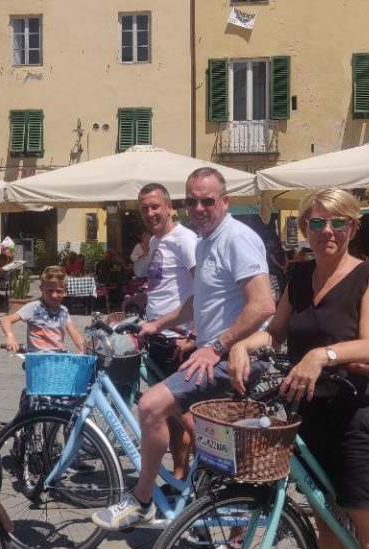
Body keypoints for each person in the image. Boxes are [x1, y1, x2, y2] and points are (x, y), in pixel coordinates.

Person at [228, 188, 369, 549]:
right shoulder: (300, 275)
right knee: (329, 525)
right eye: (318, 222)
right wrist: (241, 345)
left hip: (355, 421)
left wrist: (321, 355)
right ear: (305, 227)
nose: (328, 230)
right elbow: (275, 332)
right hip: (310, 418)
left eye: (338, 221)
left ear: (352, 228)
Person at [92, 167, 275, 530]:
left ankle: (142, 500)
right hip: (213, 352)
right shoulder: (206, 241)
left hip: (235, 357)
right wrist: (157, 324)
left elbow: (263, 305)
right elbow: (198, 301)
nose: (199, 208)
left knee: (151, 405)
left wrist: (216, 347)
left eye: (207, 201)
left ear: (225, 202)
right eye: (192, 201)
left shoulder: (237, 238)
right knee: (221, 447)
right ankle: (228, 533)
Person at [125, 183, 197, 481]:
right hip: (159, 338)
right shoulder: (156, 241)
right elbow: (164, 283)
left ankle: (219, 471)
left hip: (179, 340)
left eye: (155, 206)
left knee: (189, 417)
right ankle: (180, 475)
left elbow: (204, 289)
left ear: (169, 207)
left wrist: (194, 335)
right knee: (173, 415)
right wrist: (141, 297)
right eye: (144, 208)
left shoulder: (185, 239)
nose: (150, 213)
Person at [0, 265, 85, 354]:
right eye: (50, 290)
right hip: (38, 358)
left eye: (59, 291)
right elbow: (6, 320)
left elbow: (74, 332)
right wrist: (10, 336)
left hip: (57, 357)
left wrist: (83, 348)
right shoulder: (34, 307)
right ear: (41, 289)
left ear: (65, 291)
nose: (54, 295)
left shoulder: (63, 311)